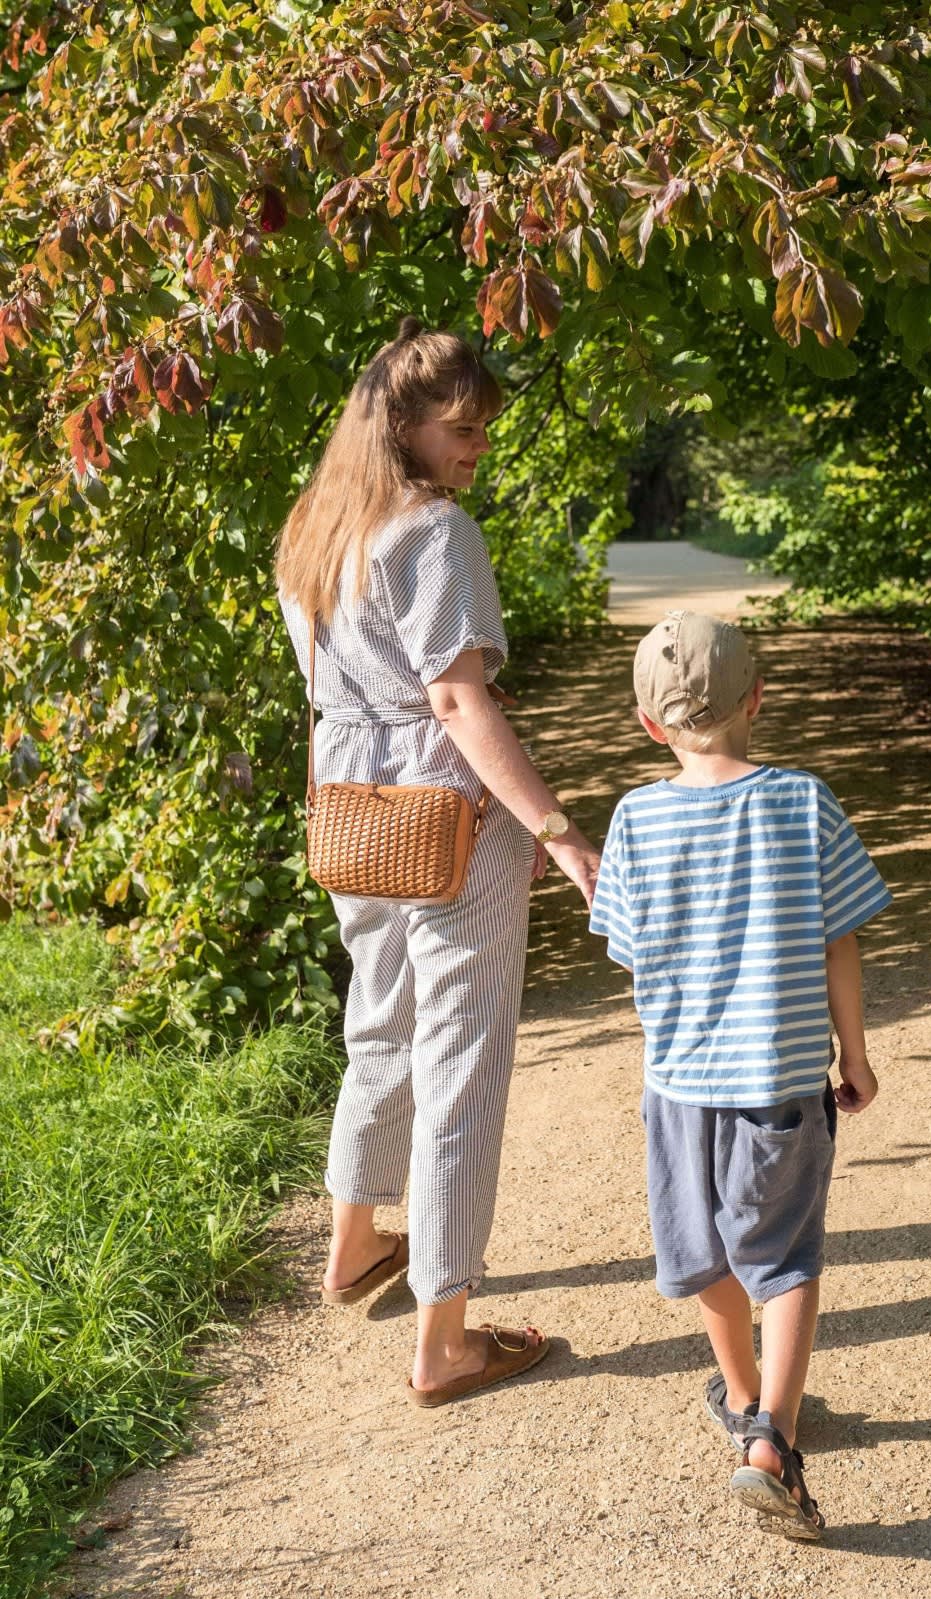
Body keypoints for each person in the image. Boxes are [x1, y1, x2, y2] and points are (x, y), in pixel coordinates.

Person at [275, 317, 600, 1407]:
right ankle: (446, 1338)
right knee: (461, 1053)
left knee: (381, 1021)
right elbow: (457, 701)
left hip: (352, 810)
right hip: (447, 818)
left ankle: (354, 1246)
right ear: (404, 424)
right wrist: (555, 827)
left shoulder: (314, 531)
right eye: (463, 430)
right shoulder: (435, 532)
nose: (478, 450)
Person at [588, 610, 891, 1539]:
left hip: (679, 1085)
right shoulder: (805, 802)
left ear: (649, 726)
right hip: (780, 1080)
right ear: (758, 698)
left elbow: (632, 957)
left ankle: (746, 1395)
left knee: (705, 1253)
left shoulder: (635, 817)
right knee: (788, 1255)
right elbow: (841, 941)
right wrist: (856, 1053)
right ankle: (773, 1442)